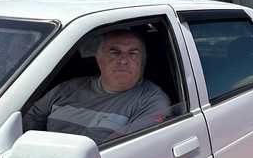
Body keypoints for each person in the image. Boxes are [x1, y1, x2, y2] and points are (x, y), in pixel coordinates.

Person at [23, 29, 173, 145]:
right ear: (98, 59)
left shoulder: (152, 102)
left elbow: (125, 156)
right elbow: (22, 127)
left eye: (133, 53)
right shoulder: (66, 89)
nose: (123, 60)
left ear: (144, 60)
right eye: (114, 52)